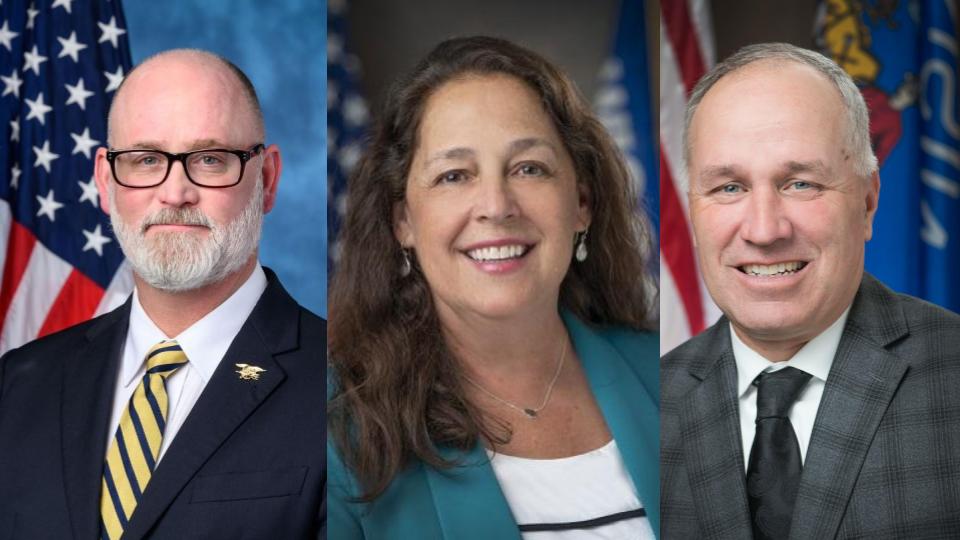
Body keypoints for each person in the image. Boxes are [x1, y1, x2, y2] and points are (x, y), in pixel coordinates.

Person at [327, 36, 659, 539]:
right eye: (454, 175)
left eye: (529, 168)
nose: (496, 205)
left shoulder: (672, 376)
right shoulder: (333, 426)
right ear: (403, 222)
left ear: (581, 203)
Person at [0, 50, 325, 539]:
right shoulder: (20, 386)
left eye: (210, 159)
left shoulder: (344, 385)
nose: (175, 193)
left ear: (267, 179)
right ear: (106, 182)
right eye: (146, 159)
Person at [661, 42, 960, 539]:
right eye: (728, 188)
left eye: (800, 183)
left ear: (867, 201)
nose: (763, 229)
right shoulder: (646, 404)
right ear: (693, 209)